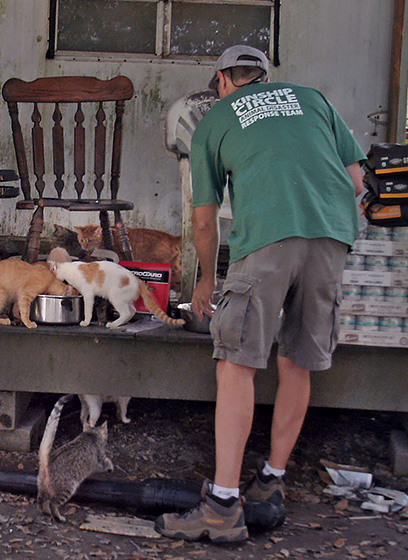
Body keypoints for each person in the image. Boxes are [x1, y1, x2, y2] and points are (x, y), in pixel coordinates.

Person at [155, 45, 366, 542]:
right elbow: (356, 178)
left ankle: (223, 505)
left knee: (237, 362)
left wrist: (207, 279)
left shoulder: (213, 121)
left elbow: (204, 220)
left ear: (221, 81)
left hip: (268, 240)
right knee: (297, 360)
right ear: (268, 78)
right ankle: (271, 481)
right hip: (334, 234)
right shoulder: (312, 100)